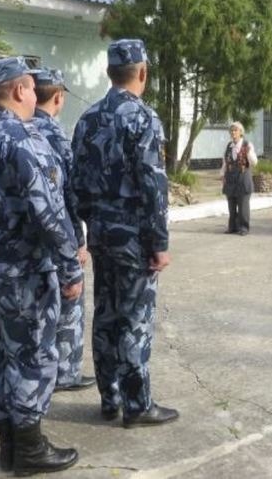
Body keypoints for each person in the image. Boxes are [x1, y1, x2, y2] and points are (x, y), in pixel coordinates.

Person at [0, 56, 83, 475]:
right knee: (30, 355)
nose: (33, 94)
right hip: (21, 272)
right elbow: (49, 214)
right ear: (19, 91)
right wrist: (70, 269)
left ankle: (9, 442)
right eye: (29, 87)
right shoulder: (22, 139)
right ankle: (29, 448)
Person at [71, 38, 179, 429]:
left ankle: (109, 396)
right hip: (133, 236)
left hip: (101, 232)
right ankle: (137, 404)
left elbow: (76, 183)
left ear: (108, 73)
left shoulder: (88, 118)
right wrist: (159, 243)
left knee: (106, 312)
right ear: (143, 72)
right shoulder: (143, 118)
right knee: (134, 317)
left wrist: (91, 221)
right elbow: (153, 187)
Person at [32, 67, 95, 392]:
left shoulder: (19, 128)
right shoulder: (54, 136)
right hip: (59, 236)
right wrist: (79, 241)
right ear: (58, 97)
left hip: (26, 240)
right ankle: (65, 373)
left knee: (40, 309)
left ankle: (41, 367)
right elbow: (70, 196)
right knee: (68, 305)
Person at [220, 121, 257, 236]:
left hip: (243, 178)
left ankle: (244, 228)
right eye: (231, 130)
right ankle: (232, 227)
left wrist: (249, 153)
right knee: (231, 204)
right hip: (231, 178)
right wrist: (222, 174)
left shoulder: (247, 145)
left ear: (241, 132)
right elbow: (225, 162)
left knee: (243, 205)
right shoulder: (229, 146)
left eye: (235, 130)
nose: (233, 133)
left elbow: (254, 162)